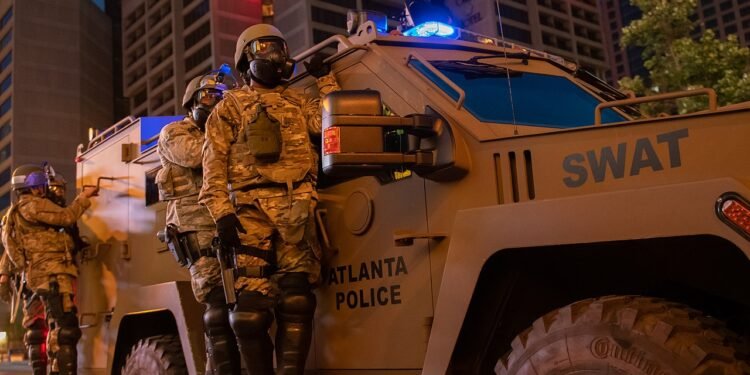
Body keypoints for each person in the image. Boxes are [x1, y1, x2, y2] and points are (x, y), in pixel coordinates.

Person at [200, 24, 339, 375]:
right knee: (249, 313)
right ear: (247, 59)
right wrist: (222, 214)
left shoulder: (298, 100)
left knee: (297, 301)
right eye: (266, 49)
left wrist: (326, 80)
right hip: (251, 214)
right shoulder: (230, 107)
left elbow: (328, 124)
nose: (276, 57)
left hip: (298, 208)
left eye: (279, 49)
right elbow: (213, 165)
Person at [156, 69, 239, 374]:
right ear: (191, 102)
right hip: (198, 234)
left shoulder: (226, 131)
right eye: (208, 96)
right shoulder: (175, 133)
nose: (215, 102)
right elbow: (194, 156)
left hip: (228, 224)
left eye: (220, 97)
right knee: (217, 312)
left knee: (242, 313)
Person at [2, 164, 97, 375]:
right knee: (66, 330)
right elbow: (66, 217)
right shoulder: (34, 205)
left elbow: (10, 251)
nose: (49, 190)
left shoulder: (16, 212)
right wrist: (85, 196)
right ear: (35, 186)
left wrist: (5, 275)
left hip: (40, 275)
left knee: (50, 329)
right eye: (45, 185)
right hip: (52, 274)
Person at [0, 172, 70, 375]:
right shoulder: (36, 209)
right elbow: (9, 247)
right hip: (45, 276)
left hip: (34, 277)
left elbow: (8, 246)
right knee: (52, 329)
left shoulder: (17, 213)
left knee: (44, 331)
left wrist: (4, 276)